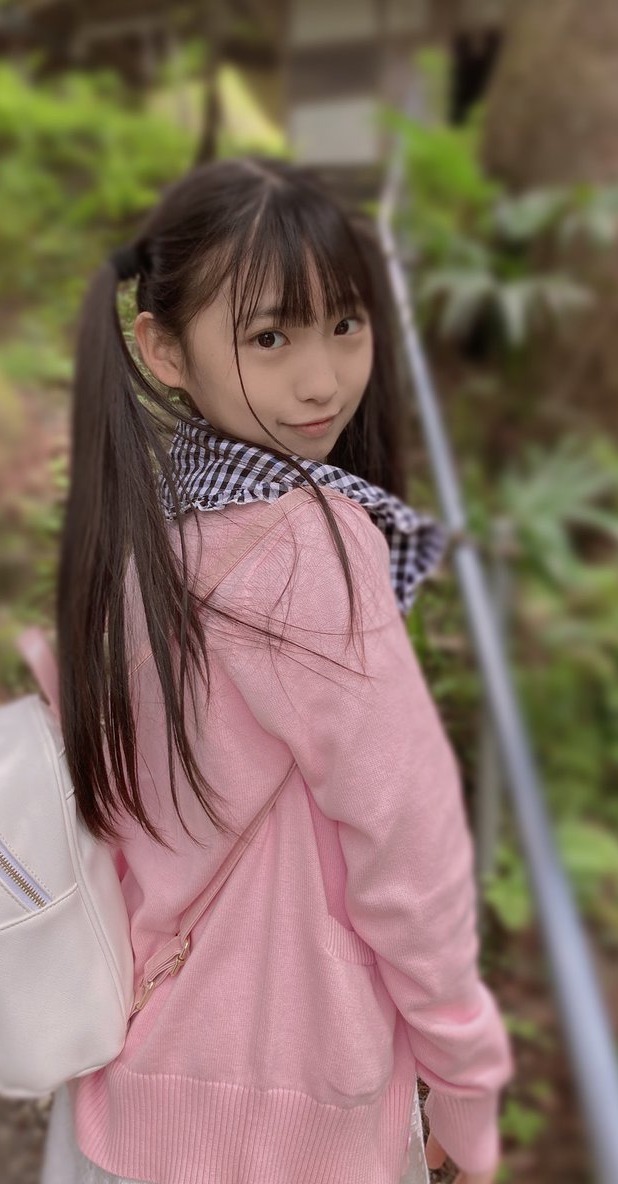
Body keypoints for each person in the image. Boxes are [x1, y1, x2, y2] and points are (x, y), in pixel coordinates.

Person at [43, 154, 515, 1184]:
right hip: (288, 1107)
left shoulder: (146, 525)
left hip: (134, 1079)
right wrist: (467, 1076)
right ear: (162, 349)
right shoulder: (310, 548)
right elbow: (411, 845)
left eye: (345, 324)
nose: (323, 379)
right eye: (270, 337)